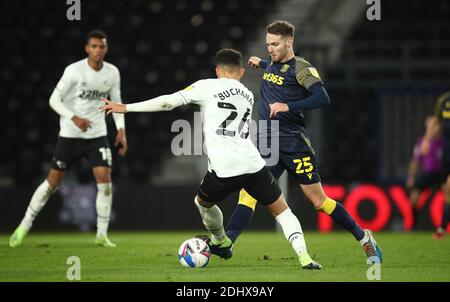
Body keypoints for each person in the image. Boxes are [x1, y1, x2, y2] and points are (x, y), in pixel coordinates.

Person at [100, 48, 322, 269]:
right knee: (282, 210)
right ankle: (305, 257)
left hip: (224, 169)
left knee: (202, 202)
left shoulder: (205, 85)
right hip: (253, 164)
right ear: (242, 72)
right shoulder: (247, 93)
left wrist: (126, 108)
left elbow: (168, 102)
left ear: (217, 70)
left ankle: (221, 240)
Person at [218, 20, 382, 263]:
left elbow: (322, 97)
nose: (270, 49)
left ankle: (363, 237)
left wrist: (288, 106)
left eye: (275, 44)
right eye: (268, 44)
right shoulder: (273, 63)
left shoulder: (303, 68)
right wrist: (260, 63)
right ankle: (227, 243)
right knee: (249, 192)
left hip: (294, 143)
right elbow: (276, 72)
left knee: (319, 201)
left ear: (289, 42)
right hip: (268, 143)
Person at [9, 30, 127, 248]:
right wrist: (74, 117)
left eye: (101, 46)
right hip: (71, 135)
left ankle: (101, 235)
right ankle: (24, 225)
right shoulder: (74, 71)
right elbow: (54, 100)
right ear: (87, 49)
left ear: (106, 49)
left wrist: (121, 130)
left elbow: (117, 103)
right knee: (52, 183)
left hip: (97, 135)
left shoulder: (112, 73)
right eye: (94, 46)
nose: (98, 50)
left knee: (106, 182)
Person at [406, 117, 445, 228]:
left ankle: (443, 226)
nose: (433, 129)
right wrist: (411, 176)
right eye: (430, 126)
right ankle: (413, 225)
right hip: (428, 173)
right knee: (413, 199)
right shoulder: (423, 141)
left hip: (442, 174)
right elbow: (416, 160)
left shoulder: (444, 141)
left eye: (434, 126)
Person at [423, 91, 450, 239]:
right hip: (447, 153)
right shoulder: (444, 100)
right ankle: (442, 229)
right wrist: (427, 140)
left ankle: (441, 229)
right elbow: (435, 121)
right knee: (447, 191)